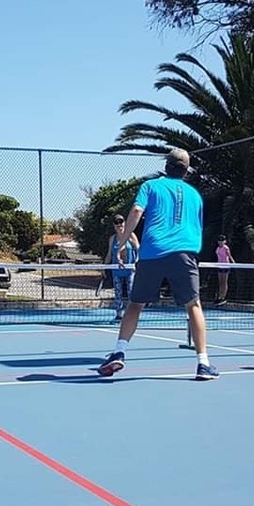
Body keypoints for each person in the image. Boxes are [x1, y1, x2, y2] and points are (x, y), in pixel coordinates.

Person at [97, 148, 219, 380]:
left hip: (152, 253)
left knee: (135, 304)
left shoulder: (150, 186)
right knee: (193, 305)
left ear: (166, 166)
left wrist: (121, 243)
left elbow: (136, 211)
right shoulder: (195, 195)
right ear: (186, 170)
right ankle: (203, 364)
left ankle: (119, 353)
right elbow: (197, 226)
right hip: (184, 255)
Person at [106, 213, 140, 321]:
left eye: (121, 222)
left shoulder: (131, 235)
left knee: (131, 292)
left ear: (124, 223)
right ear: (114, 225)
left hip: (130, 270)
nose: (119, 225)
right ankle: (119, 314)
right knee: (118, 293)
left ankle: (131, 315)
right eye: (116, 223)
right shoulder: (112, 239)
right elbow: (109, 254)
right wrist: (103, 268)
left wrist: (136, 263)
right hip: (116, 271)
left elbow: (139, 250)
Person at [214, 234, 233, 305]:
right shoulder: (217, 248)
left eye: (222, 241)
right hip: (219, 266)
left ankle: (223, 297)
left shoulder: (226, 248)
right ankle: (219, 297)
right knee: (220, 282)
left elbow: (229, 256)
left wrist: (233, 263)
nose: (220, 242)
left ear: (225, 241)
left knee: (224, 282)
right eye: (219, 241)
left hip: (226, 266)